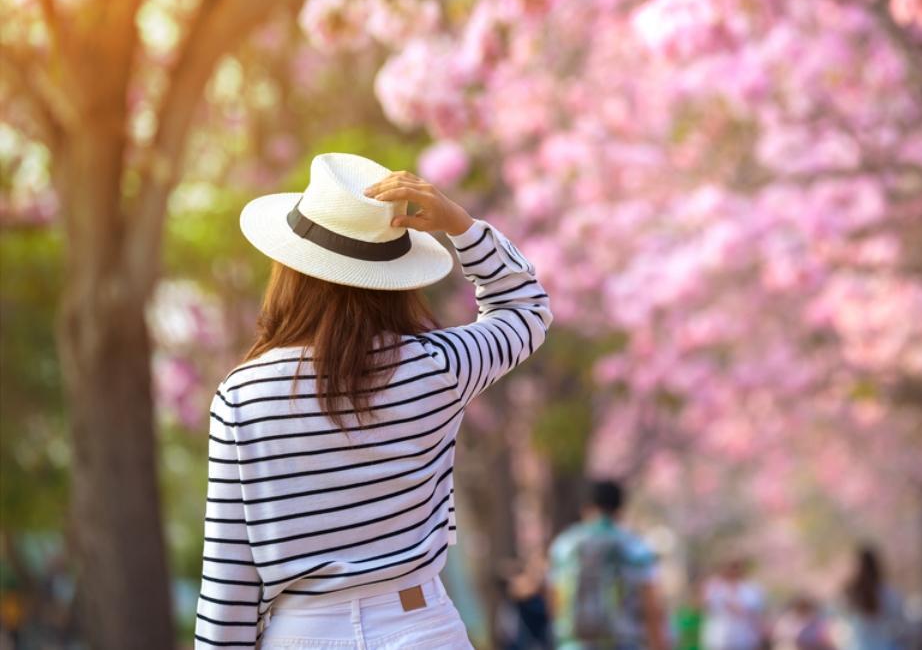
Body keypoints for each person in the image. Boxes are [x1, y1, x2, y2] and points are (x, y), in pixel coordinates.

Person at [193, 153, 552, 649]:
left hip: (302, 633)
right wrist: (460, 226)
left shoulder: (242, 396)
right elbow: (525, 307)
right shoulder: (438, 367)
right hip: (421, 627)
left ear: (292, 269)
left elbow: (229, 582)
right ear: (392, 279)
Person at [547, 479, 667, 650]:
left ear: (585, 508)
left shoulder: (564, 545)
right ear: (620, 510)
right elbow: (651, 607)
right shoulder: (634, 546)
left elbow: (555, 601)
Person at [827, 546, 909, 650]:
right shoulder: (888, 593)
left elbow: (837, 614)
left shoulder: (851, 594)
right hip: (884, 645)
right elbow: (901, 623)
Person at [700, 559, 766, 650]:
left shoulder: (751, 588)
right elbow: (707, 606)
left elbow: (756, 611)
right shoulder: (715, 586)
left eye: (735, 567)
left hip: (744, 638)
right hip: (719, 638)